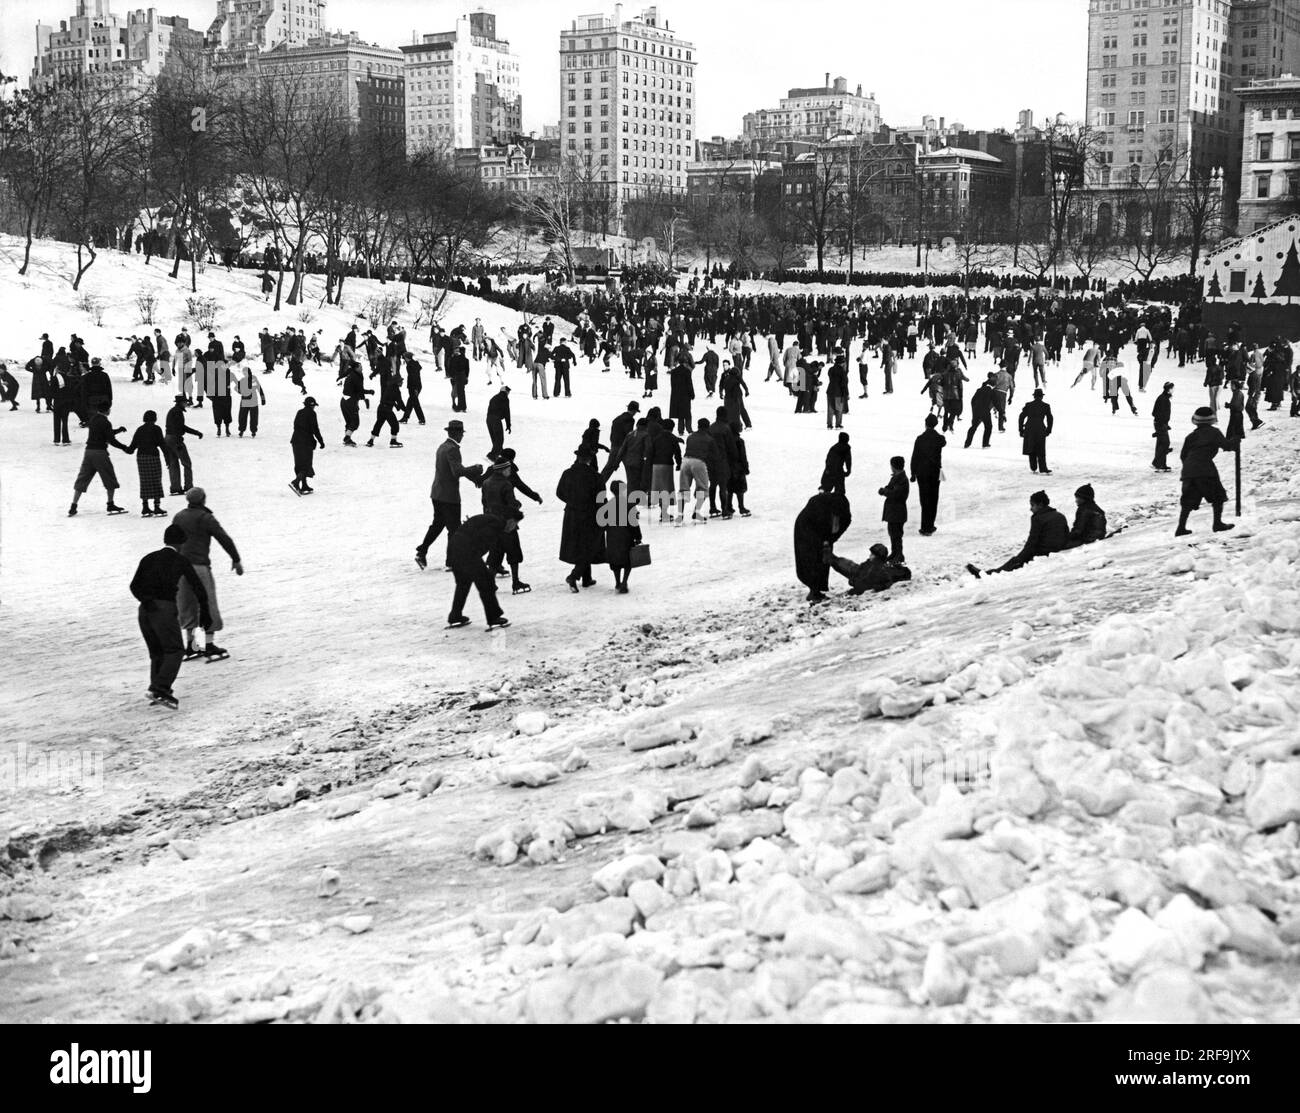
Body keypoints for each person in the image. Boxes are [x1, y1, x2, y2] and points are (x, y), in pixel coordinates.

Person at [130, 523, 212, 709]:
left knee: (157, 652)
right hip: (164, 609)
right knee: (175, 650)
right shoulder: (180, 560)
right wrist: (205, 611)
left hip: (144, 610)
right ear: (182, 543)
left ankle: (156, 689)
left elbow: (134, 585)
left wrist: (147, 600)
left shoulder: (148, 558)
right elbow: (198, 588)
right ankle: (160, 688)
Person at [172, 487, 244, 661]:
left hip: (181, 568)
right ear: (203, 499)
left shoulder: (178, 517)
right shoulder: (206, 518)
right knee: (206, 604)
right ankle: (209, 645)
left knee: (187, 605)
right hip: (199, 567)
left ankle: (191, 645)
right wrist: (236, 559)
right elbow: (224, 539)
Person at [416, 419, 483, 571]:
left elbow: (454, 468)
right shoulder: (453, 449)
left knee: (438, 524)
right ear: (457, 434)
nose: (462, 436)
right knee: (454, 529)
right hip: (449, 496)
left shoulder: (442, 447)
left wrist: (473, 478)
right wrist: (475, 469)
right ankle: (452, 562)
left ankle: (422, 551)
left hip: (437, 493)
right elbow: (457, 471)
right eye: (461, 433)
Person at [967, 491, 1069, 577]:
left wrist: (1020, 558)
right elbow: (1066, 534)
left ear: (1040, 504)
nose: (1031, 509)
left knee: (1016, 561)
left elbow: (1032, 542)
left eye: (1032, 505)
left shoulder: (1038, 518)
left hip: (1044, 552)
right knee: (1018, 559)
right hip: (1058, 549)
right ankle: (990, 573)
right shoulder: (1060, 515)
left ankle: (988, 575)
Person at [481, 451, 540, 594]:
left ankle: (489, 583)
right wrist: (518, 507)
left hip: (493, 524)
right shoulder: (506, 485)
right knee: (513, 553)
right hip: (507, 525)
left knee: (495, 553)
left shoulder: (486, 483)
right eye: (508, 469)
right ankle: (515, 582)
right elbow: (511, 505)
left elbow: (484, 502)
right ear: (502, 470)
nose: (510, 471)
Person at [445, 511, 516, 630]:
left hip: (454, 547)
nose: (514, 528)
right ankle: (493, 617)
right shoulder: (496, 525)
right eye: (515, 524)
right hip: (467, 551)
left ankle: (455, 615)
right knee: (486, 583)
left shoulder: (493, 521)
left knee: (463, 583)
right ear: (511, 521)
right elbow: (480, 541)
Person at [1176, 406, 1239, 537]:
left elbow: (1183, 456)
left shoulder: (1191, 436)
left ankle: (1181, 527)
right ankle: (1217, 523)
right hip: (1205, 470)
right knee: (1218, 496)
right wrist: (1235, 440)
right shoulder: (1214, 432)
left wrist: (1190, 468)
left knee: (1188, 500)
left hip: (1188, 471)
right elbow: (1227, 446)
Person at [69, 401, 130, 517]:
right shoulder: (106, 422)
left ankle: (73, 505)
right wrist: (124, 447)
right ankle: (110, 503)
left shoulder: (93, 419)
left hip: (88, 452)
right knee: (109, 477)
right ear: (107, 410)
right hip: (100, 453)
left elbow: (104, 433)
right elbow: (111, 439)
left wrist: (118, 430)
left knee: (83, 478)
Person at [556, 448, 607, 590]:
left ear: (578, 458)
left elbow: (559, 493)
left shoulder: (567, 474)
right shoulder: (596, 477)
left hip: (571, 515)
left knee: (579, 545)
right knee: (590, 546)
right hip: (590, 515)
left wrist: (572, 501)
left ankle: (587, 578)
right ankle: (574, 575)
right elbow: (601, 499)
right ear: (590, 460)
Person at [794, 486, 852, 603]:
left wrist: (830, 540)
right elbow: (817, 528)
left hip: (823, 532)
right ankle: (814, 590)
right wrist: (824, 542)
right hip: (806, 530)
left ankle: (819, 588)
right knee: (812, 559)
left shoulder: (843, 511)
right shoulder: (819, 506)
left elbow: (843, 525)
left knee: (825, 559)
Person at [125, 410, 172, 517]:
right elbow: (162, 445)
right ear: (154, 418)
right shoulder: (156, 429)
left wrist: (124, 448)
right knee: (156, 480)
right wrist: (168, 460)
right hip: (153, 456)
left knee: (144, 481)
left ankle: (145, 506)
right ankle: (156, 506)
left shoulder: (140, 430)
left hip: (141, 457)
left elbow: (132, 447)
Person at [603, 479, 643, 594]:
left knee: (615, 561)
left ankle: (617, 582)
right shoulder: (629, 505)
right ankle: (624, 582)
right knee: (627, 560)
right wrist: (638, 536)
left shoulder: (608, 505)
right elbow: (634, 523)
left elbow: (603, 522)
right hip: (626, 536)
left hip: (612, 537)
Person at [831, 542, 912, 595]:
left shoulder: (876, 568)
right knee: (846, 564)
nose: (870, 556)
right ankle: (832, 559)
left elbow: (864, 584)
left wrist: (853, 587)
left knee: (846, 566)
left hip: (857, 574)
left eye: (872, 554)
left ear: (877, 557)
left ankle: (831, 559)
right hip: (859, 572)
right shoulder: (876, 564)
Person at [911, 414, 946, 536]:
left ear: (925, 424)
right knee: (933, 498)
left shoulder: (920, 439)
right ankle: (930, 525)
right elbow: (943, 442)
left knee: (924, 499)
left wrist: (913, 473)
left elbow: (914, 456)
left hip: (922, 473)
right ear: (936, 424)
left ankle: (924, 526)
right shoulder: (939, 438)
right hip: (935, 472)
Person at [678, 418, 717, 525]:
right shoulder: (709, 439)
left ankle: (680, 515)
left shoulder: (690, 437)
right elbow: (713, 455)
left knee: (683, 489)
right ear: (707, 427)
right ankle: (697, 512)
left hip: (685, 461)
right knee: (702, 488)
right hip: (699, 462)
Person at [164, 394, 203, 494]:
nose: (186, 403)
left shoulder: (173, 411)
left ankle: (175, 487)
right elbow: (180, 427)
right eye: (185, 402)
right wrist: (196, 433)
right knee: (186, 463)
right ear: (181, 403)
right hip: (175, 439)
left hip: (168, 438)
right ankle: (188, 486)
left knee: (173, 464)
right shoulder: (177, 412)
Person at [290, 397, 325, 495]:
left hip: (295, 441)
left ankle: (304, 485)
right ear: (312, 405)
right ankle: (295, 482)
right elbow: (315, 428)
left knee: (299, 464)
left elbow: (295, 425)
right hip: (306, 443)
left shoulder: (299, 412)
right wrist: (321, 441)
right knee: (306, 465)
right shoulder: (312, 413)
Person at [879, 456, 909, 564]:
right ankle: (895, 553)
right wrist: (885, 489)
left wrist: (884, 492)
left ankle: (899, 555)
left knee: (897, 535)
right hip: (894, 511)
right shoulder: (897, 477)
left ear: (894, 466)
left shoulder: (902, 479)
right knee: (892, 533)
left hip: (897, 512)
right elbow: (891, 489)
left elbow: (896, 494)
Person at [1019, 389, 1054, 475]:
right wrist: (1049, 430)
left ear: (1034, 396)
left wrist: (1021, 429)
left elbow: (1021, 417)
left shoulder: (1029, 405)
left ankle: (1033, 467)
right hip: (1040, 428)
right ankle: (1043, 468)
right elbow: (1050, 418)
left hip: (1029, 428)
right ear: (1042, 396)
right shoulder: (1046, 406)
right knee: (1041, 448)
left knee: (1031, 447)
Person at [366, 371, 404, 448]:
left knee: (378, 424)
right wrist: (406, 410)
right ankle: (393, 441)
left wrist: (396, 405)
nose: (402, 382)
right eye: (401, 381)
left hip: (381, 408)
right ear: (397, 382)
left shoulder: (389, 387)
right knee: (395, 425)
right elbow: (399, 401)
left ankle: (371, 440)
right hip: (387, 410)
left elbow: (389, 399)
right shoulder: (396, 390)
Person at [1067, 483, 1108, 548]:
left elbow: (1078, 530)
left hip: (1087, 541)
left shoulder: (1084, 510)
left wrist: (1065, 537)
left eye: (1078, 497)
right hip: (1098, 538)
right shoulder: (1096, 508)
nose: (1076, 500)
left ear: (1085, 498)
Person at [965, 376, 996, 449]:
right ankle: (985, 443)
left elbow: (972, 400)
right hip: (985, 411)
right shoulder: (992, 392)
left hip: (976, 411)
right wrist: (1002, 412)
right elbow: (996, 403)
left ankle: (967, 443)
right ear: (994, 385)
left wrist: (974, 409)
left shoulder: (979, 390)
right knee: (988, 427)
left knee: (973, 426)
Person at [730, 420, 752, 518]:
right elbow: (743, 456)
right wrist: (746, 467)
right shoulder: (739, 441)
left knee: (729, 488)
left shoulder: (728, 440)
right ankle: (741, 507)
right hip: (738, 468)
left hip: (729, 466)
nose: (742, 427)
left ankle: (728, 506)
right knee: (740, 489)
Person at [236, 366, 267, 437]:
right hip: (244, 402)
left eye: (245, 372)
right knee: (242, 417)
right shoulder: (242, 380)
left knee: (253, 418)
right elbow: (238, 390)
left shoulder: (253, 379)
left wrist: (263, 399)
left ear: (248, 372)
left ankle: (253, 431)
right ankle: (241, 430)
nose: (244, 373)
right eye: (243, 372)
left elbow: (259, 389)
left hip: (253, 402)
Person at [1152, 381, 1174, 472]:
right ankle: (1157, 463)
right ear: (1168, 390)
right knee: (1165, 443)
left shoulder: (1164, 398)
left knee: (1161, 444)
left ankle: (1162, 464)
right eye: (1172, 388)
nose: (1173, 390)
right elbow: (1155, 413)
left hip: (1162, 424)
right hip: (1161, 424)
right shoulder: (1163, 399)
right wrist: (1162, 423)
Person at [486, 384, 512, 461]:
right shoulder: (505, 398)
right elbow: (507, 412)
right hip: (496, 419)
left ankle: (500, 456)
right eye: (508, 392)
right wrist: (508, 425)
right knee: (499, 439)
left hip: (488, 419)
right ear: (506, 392)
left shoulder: (494, 397)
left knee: (495, 439)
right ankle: (492, 456)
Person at [400, 354, 425, 425]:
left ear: (408, 358)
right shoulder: (415, 364)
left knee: (415, 403)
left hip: (413, 386)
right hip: (416, 386)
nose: (404, 360)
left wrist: (415, 388)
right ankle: (405, 417)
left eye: (404, 358)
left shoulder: (410, 366)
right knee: (410, 403)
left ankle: (422, 419)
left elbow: (414, 377)